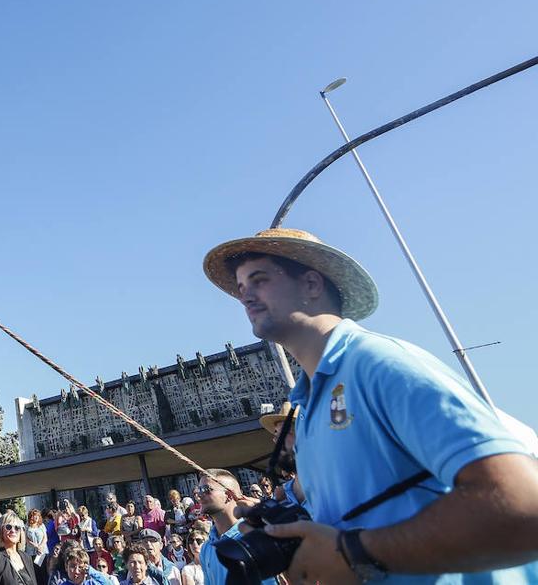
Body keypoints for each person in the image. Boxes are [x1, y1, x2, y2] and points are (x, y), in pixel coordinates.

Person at [204, 227, 538, 582]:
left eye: (259, 280)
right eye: (241, 288)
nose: (245, 297)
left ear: (312, 285)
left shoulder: (377, 364)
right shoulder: (308, 409)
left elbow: (523, 504)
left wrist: (356, 552)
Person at [192, 470, 272, 585]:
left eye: (206, 489)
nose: (199, 495)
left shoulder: (253, 538)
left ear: (228, 495)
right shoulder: (206, 548)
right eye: (199, 490)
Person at [0, 512, 37, 585]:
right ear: (0, 531)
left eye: (17, 528)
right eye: (8, 527)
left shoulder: (26, 557)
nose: (13, 531)